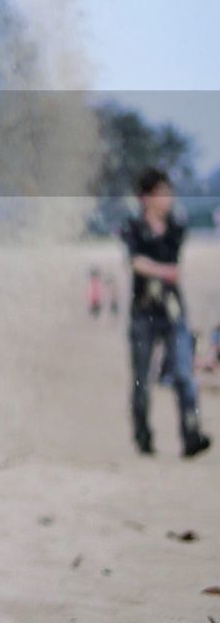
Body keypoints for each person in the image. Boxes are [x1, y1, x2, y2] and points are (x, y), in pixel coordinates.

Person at [120, 167, 211, 459]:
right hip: (142, 313)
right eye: (161, 193)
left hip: (173, 312)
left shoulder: (176, 227)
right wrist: (162, 271)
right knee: (141, 379)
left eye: (168, 193)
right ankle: (143, 435)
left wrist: (157, 269)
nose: (167, 199)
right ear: (146, 198)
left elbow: (161, 264)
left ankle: (192, 434)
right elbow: (135, 262)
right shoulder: (133, 227)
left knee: (184, 373)